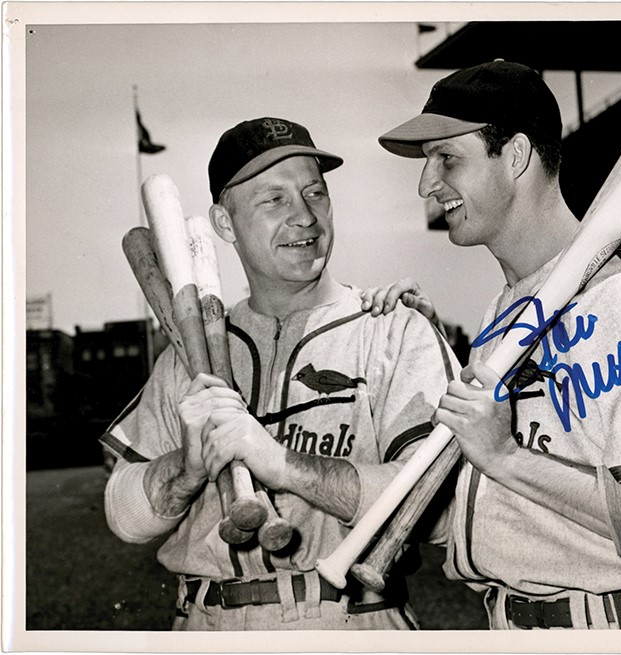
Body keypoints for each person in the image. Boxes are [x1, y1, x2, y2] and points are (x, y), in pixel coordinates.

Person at [367, 61, 621, 629]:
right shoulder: (503, 314)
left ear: (514, 157)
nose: (426, 184)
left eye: (447, 159)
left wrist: (506, 456)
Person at [102, 117, 459, 630]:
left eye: (315, 193)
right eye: (274, 200)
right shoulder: (188, 354)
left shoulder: (392, 330)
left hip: (350, 616)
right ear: (224, 225)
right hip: (208, 621)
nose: (304, 217)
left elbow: (441, 512)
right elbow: (124, 516)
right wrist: (188, 468)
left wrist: (280, 464)